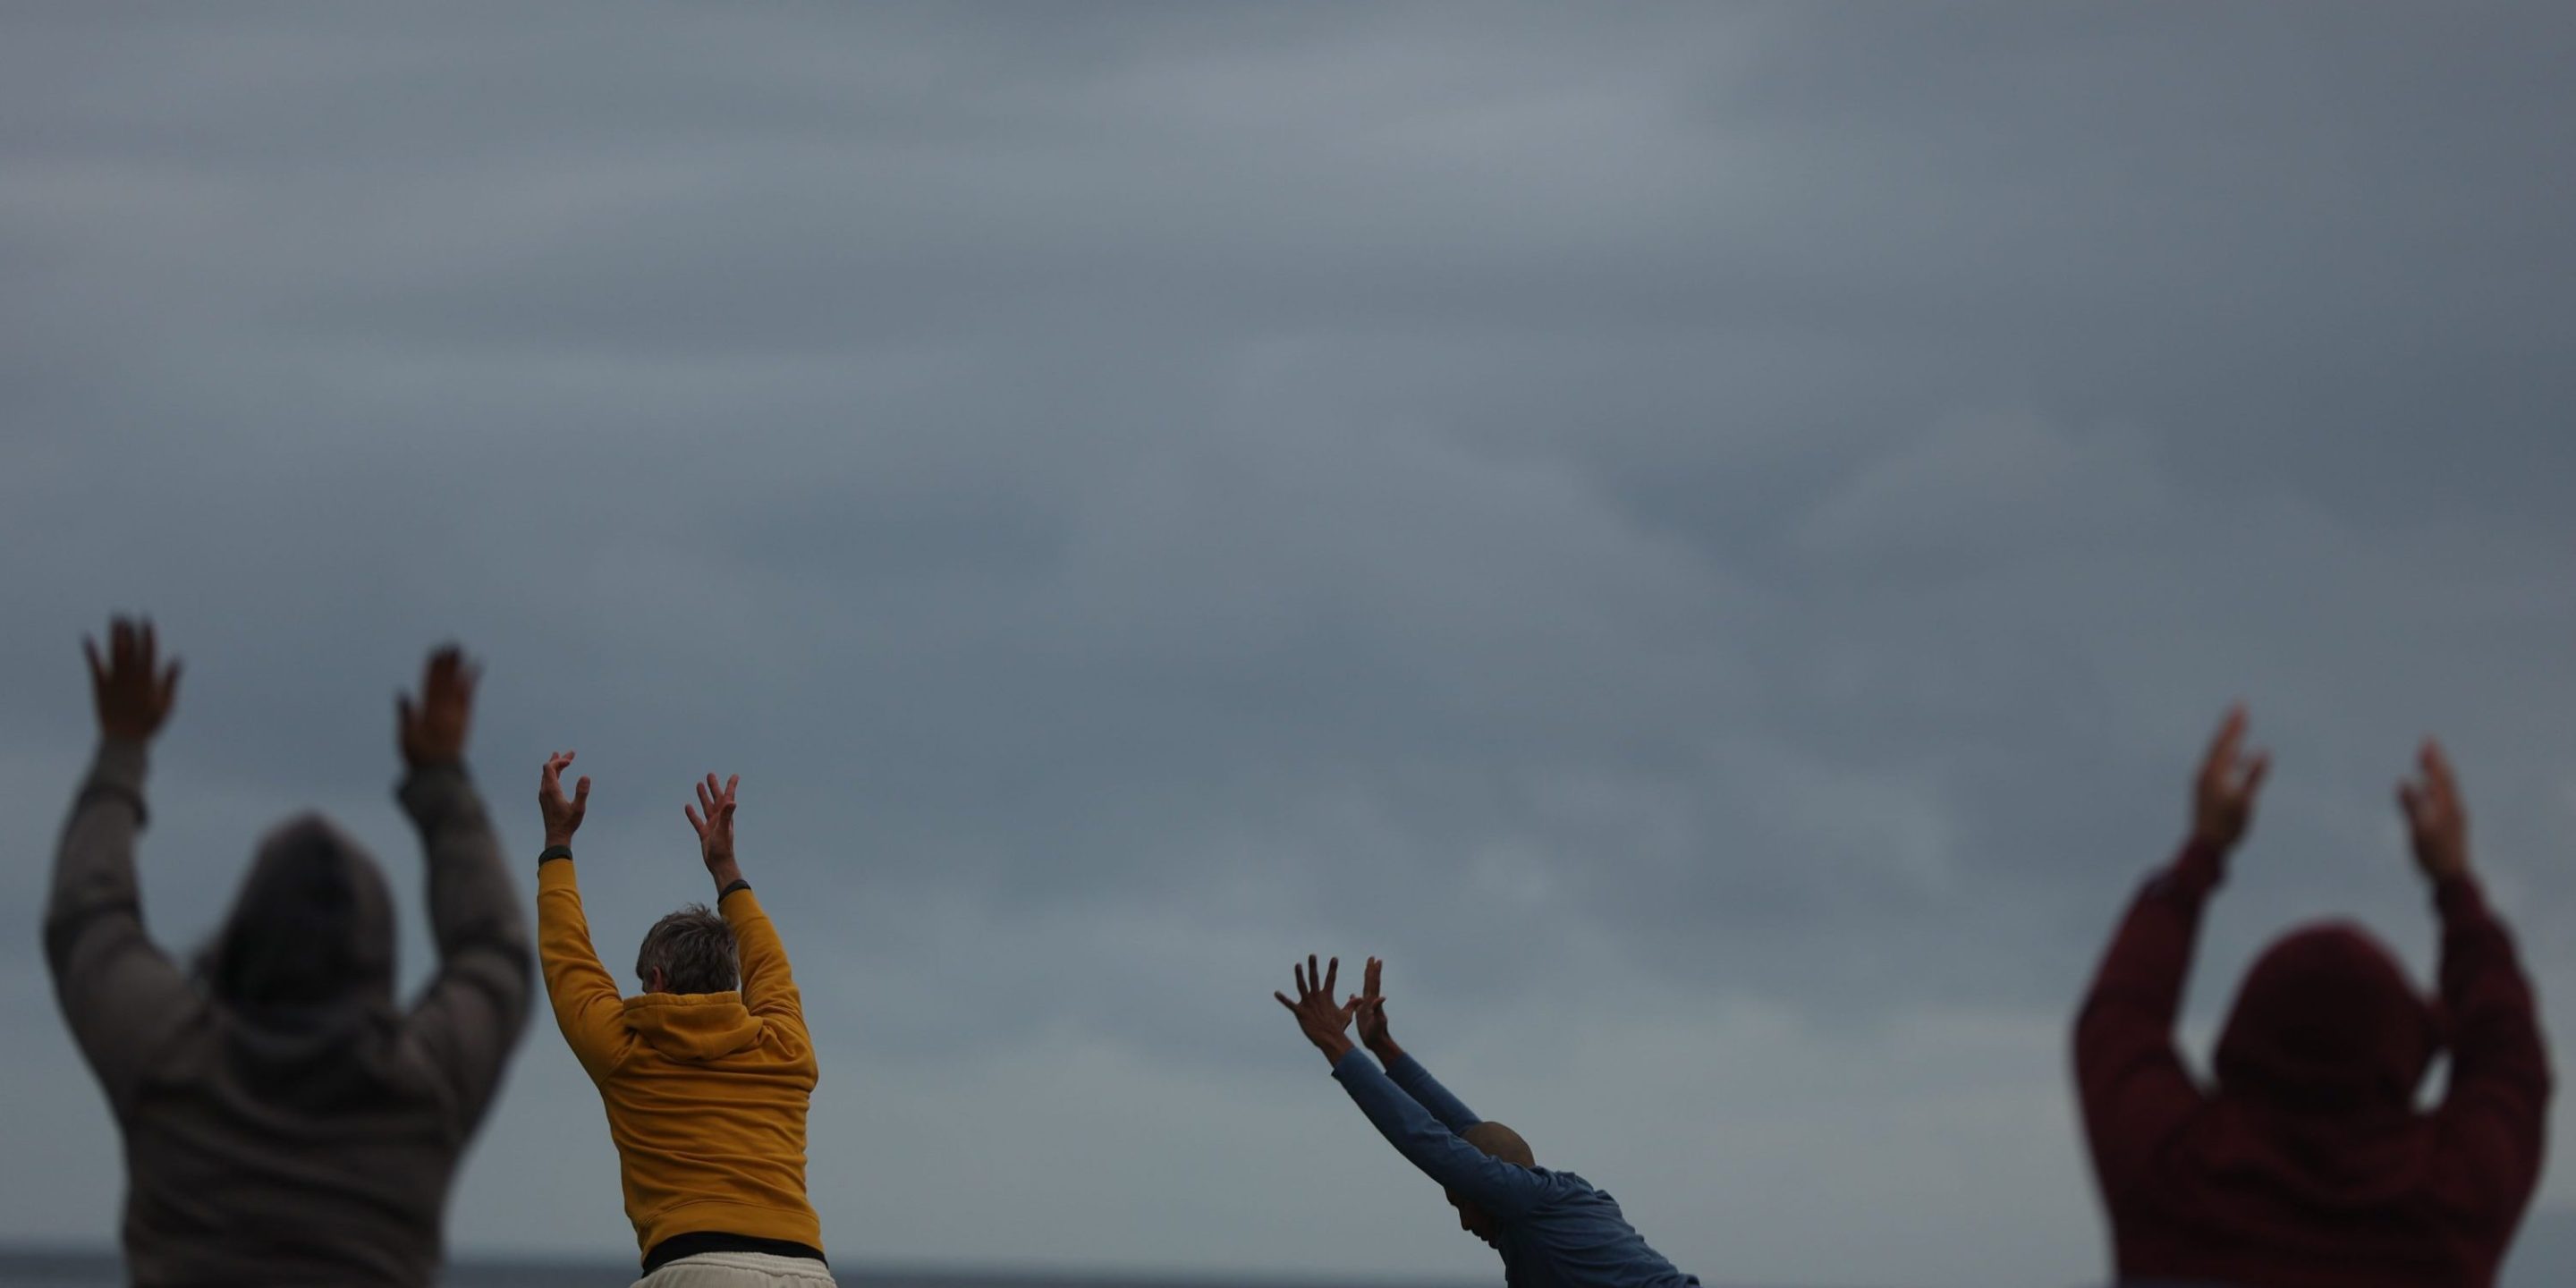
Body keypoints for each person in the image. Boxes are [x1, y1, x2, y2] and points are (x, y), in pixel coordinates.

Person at [44, 619, 532, 1288]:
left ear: (239, 941)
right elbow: (494, 952)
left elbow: (88, 915)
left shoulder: (169, 1061)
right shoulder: (422, 1090)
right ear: (377, 956)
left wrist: (121, 749)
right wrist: (443, 780)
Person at [2074, 706, 2552, 1288]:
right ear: (2405, 1055)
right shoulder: (2453, 1199)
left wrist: (2200, 854)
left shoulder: (2172, 1173)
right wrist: (2456, 888)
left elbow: (2122, 1013)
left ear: (2242, 1037)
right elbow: (2510, 1057)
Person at [535, 755, 830, 1288]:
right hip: (807, 1271)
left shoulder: (626, 1049)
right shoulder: (784, 1049)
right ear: (731, 981)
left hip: (694, 1265)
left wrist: (559, 843)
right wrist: (727, 869)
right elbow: (770, 964)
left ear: (657, 980)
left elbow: (568, 961)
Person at [1276, 954, 1701, 1287]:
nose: (1464, 1223)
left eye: (1462, 1203)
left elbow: (1426, 1140)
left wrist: (1335, 1043)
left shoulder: (1521, 1203)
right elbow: (1467, 1131)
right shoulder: (1573, 1198)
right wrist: (1382, 1046)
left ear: (1486, 1187)